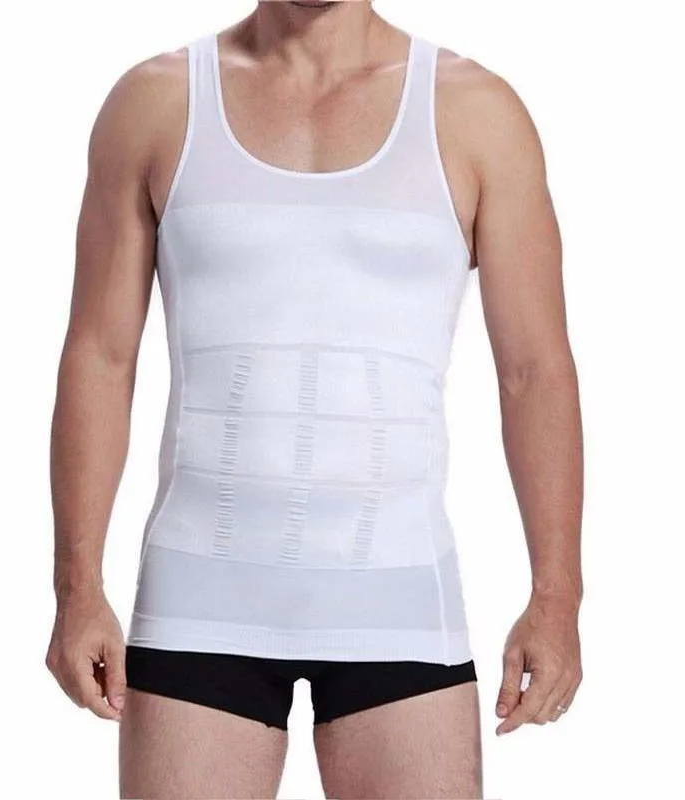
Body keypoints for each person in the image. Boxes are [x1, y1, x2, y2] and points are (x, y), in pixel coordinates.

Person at [45, 1, 584, 797]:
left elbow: (534, 371)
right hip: (201, 598)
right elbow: (100, 355)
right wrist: (77, 589)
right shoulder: (157, 103)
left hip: (399, 601)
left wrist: (557, 598)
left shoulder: (475, 113)